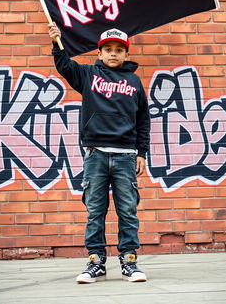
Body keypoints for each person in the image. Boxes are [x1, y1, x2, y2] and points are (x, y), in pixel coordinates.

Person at [49, 23, 150, 283]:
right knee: (95, 210)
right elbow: (65, 66)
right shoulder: (89, 75)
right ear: (99, 53)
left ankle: (129, 260)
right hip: (95, 154)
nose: (113, 54)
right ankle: (96, 262)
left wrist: (142, 152)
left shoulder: (134, 81)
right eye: (108, 49)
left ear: (126, 54)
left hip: (126, 155)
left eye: (119, 50)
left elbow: (143, 120)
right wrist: (56, 41)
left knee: (128, 210)